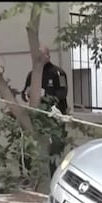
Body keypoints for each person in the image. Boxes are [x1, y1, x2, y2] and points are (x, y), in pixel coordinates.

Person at [21, 45, 70, 176]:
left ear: (47, 56)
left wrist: (46, 94)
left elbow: (62, 93)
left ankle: (55, 175)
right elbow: (24, 93)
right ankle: (31, 175)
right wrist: (27, 93)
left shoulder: (57, 72)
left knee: (56, 147)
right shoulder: (32, 74)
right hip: (38, 117)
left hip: (55, 117)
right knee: (30, 143)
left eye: (41, 55)